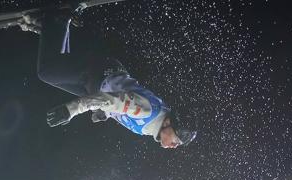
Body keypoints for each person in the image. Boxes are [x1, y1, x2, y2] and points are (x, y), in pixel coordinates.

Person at [20, 11, 197, 149]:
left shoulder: (151, 125)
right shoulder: (147, 111)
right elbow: (110, 100)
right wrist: (71, 110)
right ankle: (55, 21)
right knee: (47, 71)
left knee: (54, 76)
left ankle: (53, 27)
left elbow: (118, 104)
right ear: (169, 123)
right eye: (177, 140)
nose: (174, 145)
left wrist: (105, 113)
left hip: (100, 83)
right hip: (100, 75)